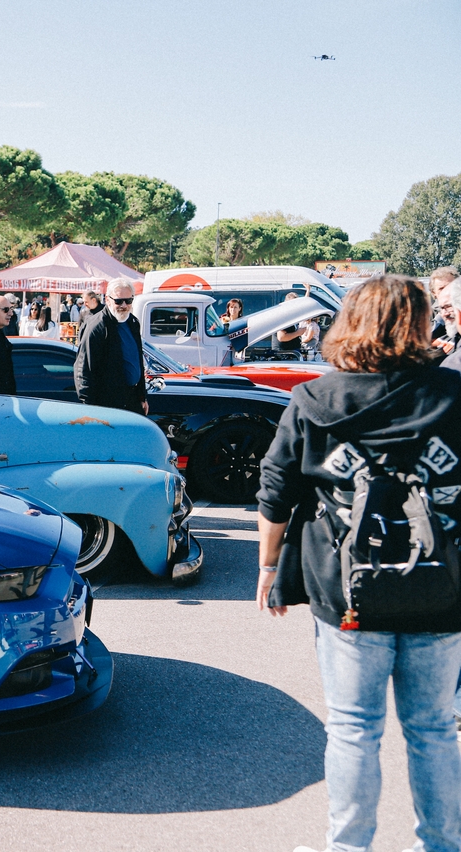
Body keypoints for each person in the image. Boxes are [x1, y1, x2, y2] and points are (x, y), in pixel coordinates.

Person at [256, 275, 461, 852]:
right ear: (422, 324)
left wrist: (269, 569)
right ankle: (444, 844)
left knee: (352, 730)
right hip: (441, 589)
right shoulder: (454, 396)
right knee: (434, 731)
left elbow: (275, 491)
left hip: (346, 592)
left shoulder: (316, 399)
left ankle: (349, 847)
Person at [74, 278, 147, 414]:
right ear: (107, 300)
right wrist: (91, 409)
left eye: (128, 301)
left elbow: (137, 360)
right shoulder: (96, 327)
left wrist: (142, 396)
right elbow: (83, 370)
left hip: (131, 400)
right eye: (118, 301)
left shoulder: (133, 323)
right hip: (107, 404)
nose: (124, 305)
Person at [430, 266, 459, 342]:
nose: (447, 291)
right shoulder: (427, 315)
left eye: (450, 287)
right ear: (434, 293)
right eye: (442, 288)